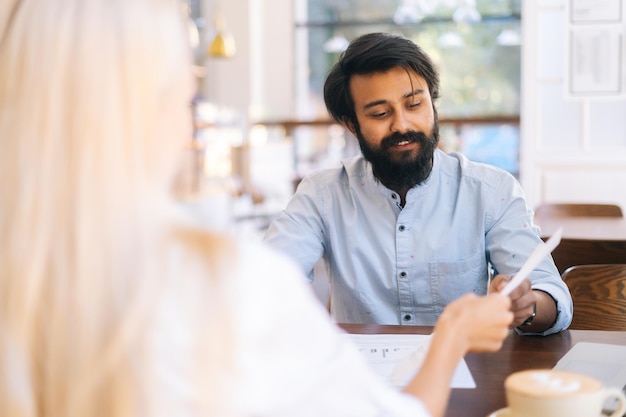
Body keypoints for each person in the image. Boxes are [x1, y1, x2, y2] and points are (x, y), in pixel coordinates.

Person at [0, 4, 513, 417]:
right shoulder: (229, 284)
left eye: (414, 102)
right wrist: (452, 337)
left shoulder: (20, 274)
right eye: (187, 97)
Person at [263, 32, 573, 336]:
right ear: (351, 125)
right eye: (381, 113)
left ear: (432, 106)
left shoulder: (491, 191)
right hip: (366, 378)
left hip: (464, 372)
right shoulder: (322, 195)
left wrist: (528, 305)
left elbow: (551, 297)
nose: (402, 124)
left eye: (414, 105)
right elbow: (269, 278)